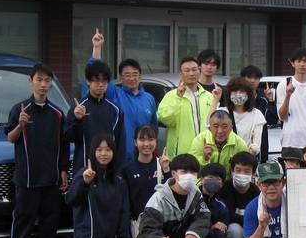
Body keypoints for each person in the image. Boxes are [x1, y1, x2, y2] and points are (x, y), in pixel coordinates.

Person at [5, 63, 71, 238]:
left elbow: (64, 144)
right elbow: (10, 137)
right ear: (31, 81)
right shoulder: (20, 109)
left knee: (49, 218)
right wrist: (20, 125)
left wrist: (63, 170)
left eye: (47, 80)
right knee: (23, 216)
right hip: (26, 176)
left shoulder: (58, 114)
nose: (43, 84)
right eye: (39, 80)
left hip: (50, 176)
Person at [61, 134, 130, 238]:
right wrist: (85, 183)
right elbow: (70, 200)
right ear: (93, 152)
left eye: (108, 149)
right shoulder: (84, 174)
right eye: (99, 150)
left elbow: (124, 212)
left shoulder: (119, 180)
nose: (103, 154)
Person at [90, 29, 157, 163]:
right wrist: (97, 47)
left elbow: (153, 129)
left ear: (140, 76)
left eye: (135, 74)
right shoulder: (113, 93)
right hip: (120, 158)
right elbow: (96, 72)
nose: (131, 78)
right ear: (120, 77)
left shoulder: (149, 98)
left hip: (144, 159)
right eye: (127, 75)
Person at [66, 61, 126, 174]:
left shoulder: (115, 109)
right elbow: (70, 138)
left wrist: (118, 172)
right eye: (96, 80)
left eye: (104, 81)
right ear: (88, 81)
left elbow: (120, 144)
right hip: (83, 170)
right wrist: (78, 120)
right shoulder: (79, 107)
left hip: (108, 172)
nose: (100, 85)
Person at [158, 56, 219, 158]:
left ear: (199, 72)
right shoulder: (172, 95)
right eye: (187, 70)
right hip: (181, 155)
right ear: (181, 74)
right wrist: (178, 98)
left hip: (205, 153)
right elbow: (165, 119)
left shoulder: (209, 96)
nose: (191, 73)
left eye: (194, 70)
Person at [276, 47, 306, 157]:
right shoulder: (284, 84)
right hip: (289, 142)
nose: (302, 64)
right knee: (291, 174)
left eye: (305, 61)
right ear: (293, 63)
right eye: (298, 61)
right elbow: (282, 116)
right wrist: (288, 95)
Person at [217, 151, 259, 238]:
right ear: (232, 171)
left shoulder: (256, 191)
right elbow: (227, 216)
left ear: (253, 173)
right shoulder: (225, 189)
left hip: (251, 232)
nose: (242, 174)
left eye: (246, 171)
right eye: (238, 170)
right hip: (235, 232)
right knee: (233, 230)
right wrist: (248, 219)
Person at [189, 109, 249, 177]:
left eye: (224, 126)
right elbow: (191, 170)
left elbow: (243, 172)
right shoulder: (199, 140)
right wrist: (204, 159)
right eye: (215, 126)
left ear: (231, 128)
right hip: (204, 182)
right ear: (209, 129)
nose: (220, 131)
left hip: (228, 184)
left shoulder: (240, 145)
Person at [240, 65, 280, 163]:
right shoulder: (237, 99)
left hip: (260, 145)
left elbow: (271, 121)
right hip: (241, 141)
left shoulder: (263, 100)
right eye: (249, 77)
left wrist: (271, 101)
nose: (253, 81)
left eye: (256, 78)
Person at [223, 77, 266, 159]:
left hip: (246, 162)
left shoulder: (257, 114)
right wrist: (215, 100)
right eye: (234, 91)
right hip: (224, 160)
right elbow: (208, 126)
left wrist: (242, 160)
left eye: (242, 91)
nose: (238, 94)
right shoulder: (222, 112)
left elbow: (256, 145)